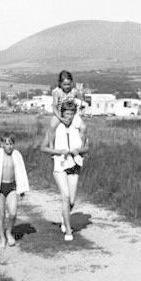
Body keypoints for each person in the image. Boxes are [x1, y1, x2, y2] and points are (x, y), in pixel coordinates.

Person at [41, 100, 89, 241]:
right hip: (59, 165)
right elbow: (43, 147)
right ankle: (68, 230)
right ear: (61, 114)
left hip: (74, 164)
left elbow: (87, 148)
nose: (68, 117)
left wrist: (78, 150)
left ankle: (64, 216)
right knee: (66, 196)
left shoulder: (79, 129)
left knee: (72, 200)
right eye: (66, 114)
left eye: (71, 114)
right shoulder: (55, 128)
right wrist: (58, 151)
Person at [0, 133, 29, 248]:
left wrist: (22, 188)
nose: (9, 146)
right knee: (1, 214)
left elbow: (21, 172)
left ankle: (9, 232)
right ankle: (2, 238)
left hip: (12, 187)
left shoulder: (17, 155)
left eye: (11, 144)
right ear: (2, 145)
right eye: (7, 144)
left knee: (13, 214)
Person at [50, 70, 87, 143]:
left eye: (69, 84)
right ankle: (51, 146)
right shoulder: (56, 92)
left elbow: (82, 100)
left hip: (72, 113)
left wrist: (81, 109)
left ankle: (82, 147)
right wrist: (60, 118)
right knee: (52, 126)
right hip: (60, 113)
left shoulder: (74, 91)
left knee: (83, 127)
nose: (67, 86)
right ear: (60, 83)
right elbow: (54, 107)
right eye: (65, 84)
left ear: (71, 83)